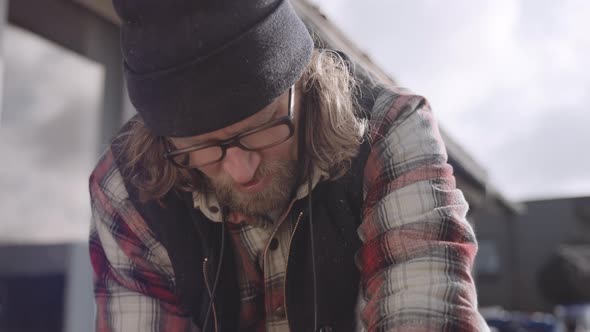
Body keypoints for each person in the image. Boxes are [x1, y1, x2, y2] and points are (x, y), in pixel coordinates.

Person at [88, 0, 489, 331]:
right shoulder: (128, 189)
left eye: (264, 125)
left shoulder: (389, 132)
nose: (242, 169)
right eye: (204, 147)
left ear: (302, 82)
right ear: (166, 142)